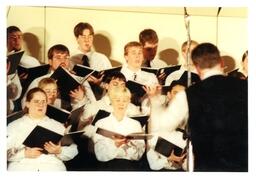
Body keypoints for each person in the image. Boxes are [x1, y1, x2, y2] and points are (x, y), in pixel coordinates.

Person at [148, 42, 248, 171]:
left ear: (196, 67)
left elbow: (162, 125)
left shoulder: (187, 95)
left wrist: (155, 99)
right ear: (222, 62)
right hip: (243, 167)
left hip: (207, 167)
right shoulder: (247, 88)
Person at [7, 87, 78, 171]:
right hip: (23, 168)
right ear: (27, 104)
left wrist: (59, 151)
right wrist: (24, 154)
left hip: (52, 168)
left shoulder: (57, 126)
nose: (40, 105)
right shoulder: (14, 126)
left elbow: (73, 149)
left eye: (43, 101)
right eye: (36, 101)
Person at [23, 44, 96, 111]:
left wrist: (82, 98)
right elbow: (24, 104)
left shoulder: (80, 80)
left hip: (75, 122)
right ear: (50, 61)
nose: (63, 61)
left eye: (66, 58)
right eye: (58, 58)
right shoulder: (39, 81)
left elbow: (94, 105)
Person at [92, 87, 145, 170]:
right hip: (107, 166)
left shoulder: (136, 124)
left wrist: (131, 145)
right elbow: (100, 154)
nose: (121, 103)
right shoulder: (101, 123)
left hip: (129, 166)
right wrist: (115, 144)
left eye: (124, 100)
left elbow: (139, 154)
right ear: (111, 101)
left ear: (129, 102)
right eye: (117, 100)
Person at [70, 22, 112, 99]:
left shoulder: (102, 59)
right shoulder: (70, 60)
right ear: (77, 38)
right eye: (83, 37)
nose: (87, 40)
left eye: (90, 37)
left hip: (100, 102)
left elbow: (112, 84)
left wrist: (100, 82)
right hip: (77, 103)